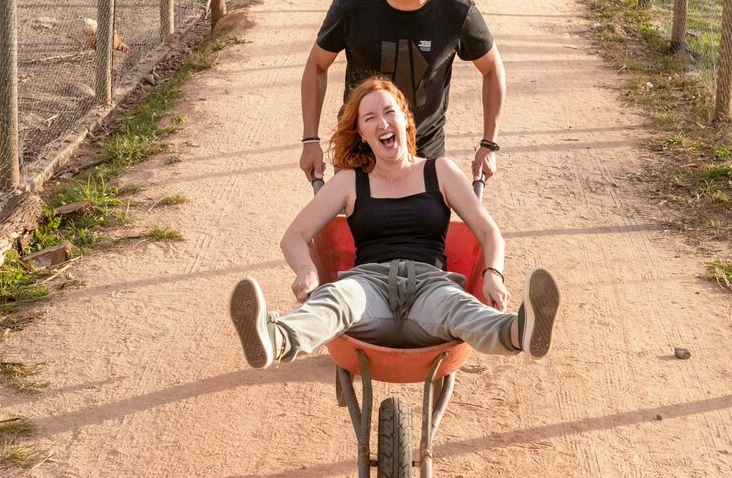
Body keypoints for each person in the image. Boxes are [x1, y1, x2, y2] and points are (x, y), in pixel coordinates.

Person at [231, 77, 559, 369]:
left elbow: (489, 233)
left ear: (404, 118)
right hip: (367, 289)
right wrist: (307, 269)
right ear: (362, 133)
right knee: (336, 300)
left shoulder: (439, 171)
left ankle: (520, 331)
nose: (383, 122)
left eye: (389, 112)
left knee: (460, 307)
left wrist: (492, 275)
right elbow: (295, 236)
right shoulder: (350, 182)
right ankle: (276, 338)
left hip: (430, 288)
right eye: (370, 118)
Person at [299, 0, 506, 186]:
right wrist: (310, 140)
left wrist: (489, 145)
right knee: (355, 229)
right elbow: (317, 65)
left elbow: (493, 68)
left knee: (426, 230)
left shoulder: (457, 14)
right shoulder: (351, 8)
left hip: (424, 156)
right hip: (360, 152)